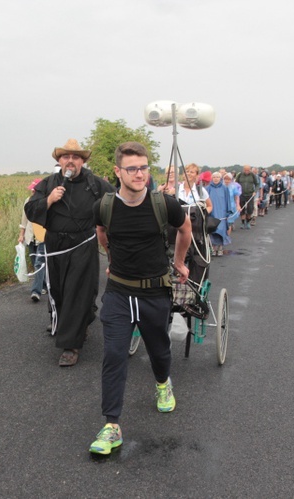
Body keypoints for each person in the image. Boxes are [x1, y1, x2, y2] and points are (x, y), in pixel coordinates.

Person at [90, 142, 192, 455]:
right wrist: (113, 260)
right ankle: (111, 425)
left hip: (154, 291)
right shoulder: (105, 206)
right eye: (132, 168)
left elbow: (184, 229)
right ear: (117, 172)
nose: (139, 174)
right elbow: (101, 232)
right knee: (115, 354)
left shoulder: (165, 203)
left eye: (144, 167)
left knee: (159, 349)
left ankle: (163, 384)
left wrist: (178, 261)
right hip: (119, 292)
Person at [24, 139, 114, 366]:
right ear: (59, 161)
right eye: (66, 157)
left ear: (82, 161)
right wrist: (49, 200)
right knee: (59, 290)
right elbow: (30, 209)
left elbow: (116, 203)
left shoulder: (95, 184)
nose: (70, 161)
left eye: (75, 157)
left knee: (77, 291)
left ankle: (70, 346)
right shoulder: (48, 183)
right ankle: (75, 323)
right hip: (55, 245)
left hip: (83, 245)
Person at [18, 178, 47, 301]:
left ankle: (36, 291)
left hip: (43, 237)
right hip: (30, 237)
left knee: (39, 264)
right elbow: (24, 220)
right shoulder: (28, 201)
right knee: (35, 262)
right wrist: (21, 234)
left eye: (35, 190)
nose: (33, 192)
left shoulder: (47, 202)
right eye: (32, 190)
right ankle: (44, 285)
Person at [206, 172, 233, 256]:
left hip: (222, 213)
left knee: (221, 230)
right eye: (214, 177)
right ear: (212, 178)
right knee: (213, 230)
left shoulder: (224, 188)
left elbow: (228, 200)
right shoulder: (207, 188)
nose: (216, 178)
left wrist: (228, 212)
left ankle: (220, 248)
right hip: (212, 213)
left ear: (220, 178)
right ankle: (213, 248)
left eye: (218, 177)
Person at [235, 165, 259, 229]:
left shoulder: (252, 175)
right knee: (242, 209)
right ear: (243, 169)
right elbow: (236, 184)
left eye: (248, 170)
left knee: (250, 209)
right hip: (241, 194)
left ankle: (248, 222)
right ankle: (242, 222)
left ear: (250, 170)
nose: (246, 171)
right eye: (245, 170)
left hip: (250, 194)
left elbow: (257, 184)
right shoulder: (240, 175)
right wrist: (237, 192)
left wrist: (255, 191)